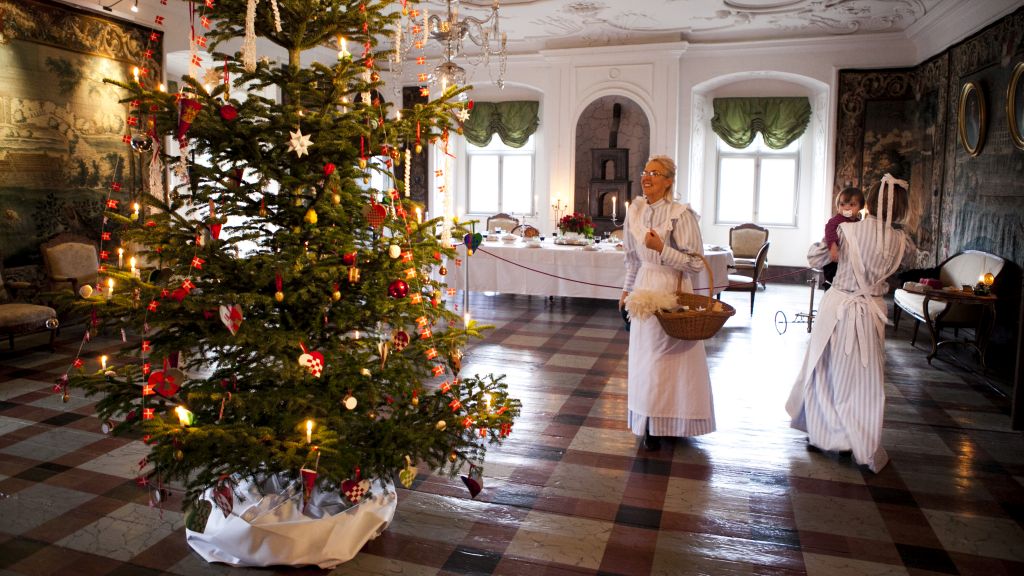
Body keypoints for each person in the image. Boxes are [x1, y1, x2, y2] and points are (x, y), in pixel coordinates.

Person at [786, 174, 919, 473]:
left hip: (839, 306)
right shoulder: (903, 243)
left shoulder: (846, 230)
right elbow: (906, 264)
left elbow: (814, 258)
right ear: (901, 208)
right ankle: (851, 437)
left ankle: (823, 434)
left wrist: (828, 244)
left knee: (825, 368)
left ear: (869, 200)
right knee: (862, 376)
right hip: (871, 310)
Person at [618, 156, 714, 450]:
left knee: (669, 357)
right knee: (646, 357)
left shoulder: (680, 214)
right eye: (645, 172)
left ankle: (673, 420)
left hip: (672, 290)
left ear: (669, 181)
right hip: (643, 291)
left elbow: (695, 264)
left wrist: (662, 249)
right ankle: (649, 422)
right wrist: (625, 291)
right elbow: (632, 259)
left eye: (655, 173)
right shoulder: (635, 211)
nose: (647, 177)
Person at [821, 187, 866, 288]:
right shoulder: (836, 220)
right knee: (832, 278)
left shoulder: (859, 223)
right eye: (842, 204)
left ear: (861, 207)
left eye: (852, 205)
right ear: (838, 206)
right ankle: (829, 285)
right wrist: (833, 247)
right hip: (835, 257)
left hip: (848, 259)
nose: (846, 208)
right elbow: (830, 232)